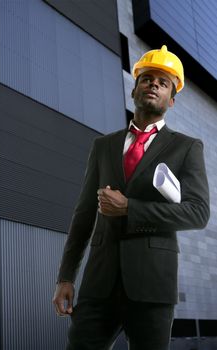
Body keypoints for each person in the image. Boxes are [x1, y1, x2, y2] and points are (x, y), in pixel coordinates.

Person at [52, 45, 210, 350]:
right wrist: (66, 276)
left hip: (153, 286)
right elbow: (84, 214)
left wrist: (130, 209)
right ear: (134, 89)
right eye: (147, 79)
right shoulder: (103, 146)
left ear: (172, 101)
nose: (154, 84)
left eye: (164, 83)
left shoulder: (188, 147)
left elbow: (198, 213)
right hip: (99, 285)